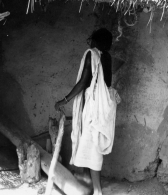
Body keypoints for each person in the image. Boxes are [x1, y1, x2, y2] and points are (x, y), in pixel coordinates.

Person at [55, 28, 119, 195]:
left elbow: (84, 82)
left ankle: (96, 190)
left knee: (91, 147)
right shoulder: (107, 57)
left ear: (94, 41)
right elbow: (106, 83)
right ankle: (89, 184)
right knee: (93, 144)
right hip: (103, 106)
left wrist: (65, 100)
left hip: (93, 107)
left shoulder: (92, 54)